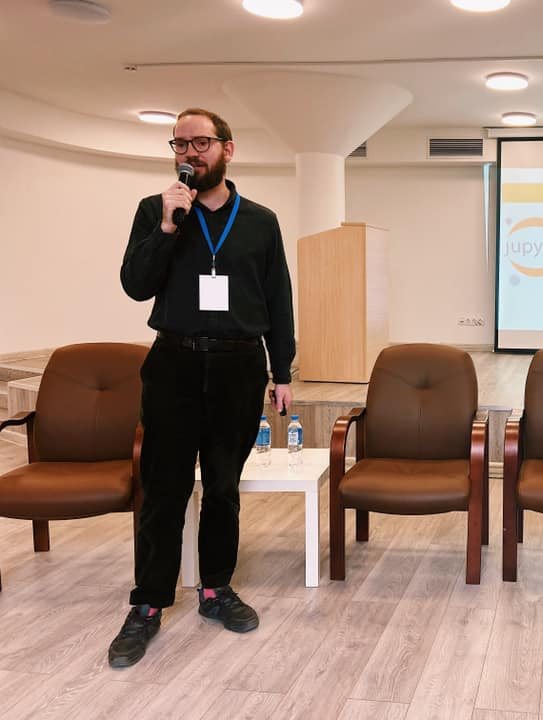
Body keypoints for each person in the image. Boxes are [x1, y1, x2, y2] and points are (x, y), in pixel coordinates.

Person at [110, 108, 295, 668]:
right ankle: (148, 603)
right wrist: (168, 228)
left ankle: (215, 588)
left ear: (227, 150)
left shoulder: (260, 221)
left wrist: (282, 371)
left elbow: (278, 297)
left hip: (240, 366)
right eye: (180, 143)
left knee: (222, 487)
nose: (190, 153)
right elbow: (135, 285)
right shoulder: (156, 210)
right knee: (163, 489)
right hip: (175, 363)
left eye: (201, 143)